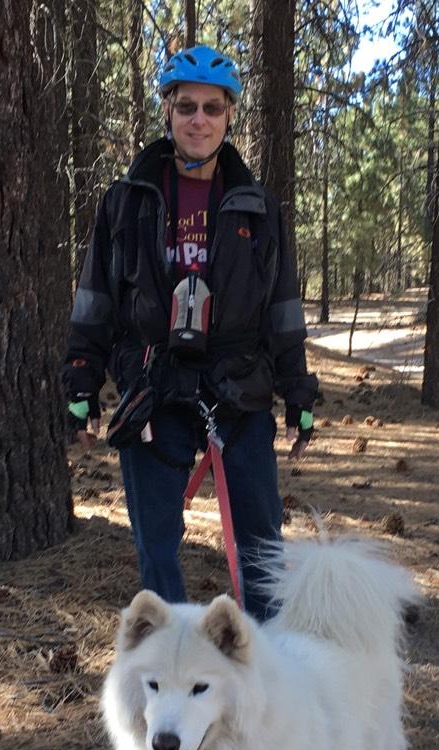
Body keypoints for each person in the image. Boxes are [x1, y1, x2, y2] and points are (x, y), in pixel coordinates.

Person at [63, 44, 317, 622]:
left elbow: (281, 306)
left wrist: (298, 392)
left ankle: (263, 666)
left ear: (229, 115)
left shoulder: (259, 207)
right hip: (153, 381)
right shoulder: (126, 201)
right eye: (185, 107)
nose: (198, 120)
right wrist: (82, 378)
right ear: (167, 111)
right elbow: (96, 296)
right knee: (156, 540)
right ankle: (170, 673)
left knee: (260, 540)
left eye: (210, 108)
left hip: (238, 384)